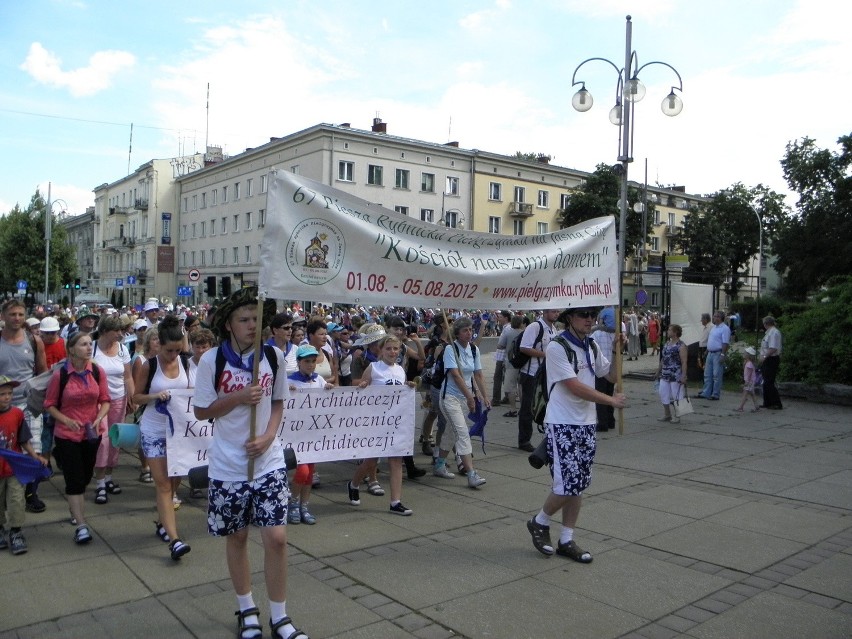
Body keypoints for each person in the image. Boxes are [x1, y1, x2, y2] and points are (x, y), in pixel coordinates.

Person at [193, 289, 307, 639]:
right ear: (228, 324)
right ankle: (247, 608)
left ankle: (280, 616)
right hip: (228, 465)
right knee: (238, 536)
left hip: (268, 462)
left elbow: (277, 404)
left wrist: (270, 436)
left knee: (276, 538)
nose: (251, 325)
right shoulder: (212, 361)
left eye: (256, 319)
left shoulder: (272, 357)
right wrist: (237, 398)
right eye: (244, 319)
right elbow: (201, 411)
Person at [526, 307, 627, 562]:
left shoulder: (591, 345)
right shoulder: (557, 347)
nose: (589, 320)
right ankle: (539, 521)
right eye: (584, 315)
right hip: (562, 423)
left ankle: (567, 539)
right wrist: (610, 401)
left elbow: (612, 375)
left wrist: (617, 349)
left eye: (592, 315)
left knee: (579, 484)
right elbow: (574, 387)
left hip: (586, 423)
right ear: (570, 318)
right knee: (567, 484)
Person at [132, 316, 192, 560]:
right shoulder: (150, 365)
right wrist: (157, 395)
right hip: (155, 429)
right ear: (160, 346)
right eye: (169, 350)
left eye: (178, 350)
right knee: (164, 484)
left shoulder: (186, 363)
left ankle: (162, 522)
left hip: (178, 430)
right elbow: (136, 398)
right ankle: (175, 539)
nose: (173, 355)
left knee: (175, 481)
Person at [43, 332, 111, 544]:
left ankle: (75, 510)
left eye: (90, 344)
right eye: (83, 344)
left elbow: (105, 399)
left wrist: (99, 417)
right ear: (71, 349)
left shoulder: (97, 371)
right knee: (74, 481)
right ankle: (81, 525)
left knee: (84, 477)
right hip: (67, 435)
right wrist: (65, 420)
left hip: (91, 434)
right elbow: (49, 405)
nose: (89, 348)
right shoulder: (60, 375)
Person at [348, 335, 415, 515]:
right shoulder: (374, 368)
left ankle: (395, 502)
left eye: (395, 349)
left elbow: (401, 393)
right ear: (381, 350)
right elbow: (362, 389)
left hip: (395, 421)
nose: (392, 352)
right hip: (377, 421)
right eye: (389, 349)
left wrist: (408, 385)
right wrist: (363, 385)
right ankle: (354, 483)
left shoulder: (400, 370)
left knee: (396, 460)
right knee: (371, 460)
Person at [0, 299, 47, 514]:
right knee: (6, 451)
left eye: (20, 314)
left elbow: (42, 372)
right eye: (12, 314)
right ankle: (7, 494)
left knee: (34, 450)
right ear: (3, 316)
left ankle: (31, 494)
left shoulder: (34, 340)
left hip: (28, 404)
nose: (17, 318)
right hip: (3, 406)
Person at [434, 317, 489, 488]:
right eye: (465, 330)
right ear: (457, 333)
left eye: (470, 329)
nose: (469, 332)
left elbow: (478, 374)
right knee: (463, 433)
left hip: (464, 399)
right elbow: (456, 376)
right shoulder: (450, 349)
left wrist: (485, 396)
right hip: (449, 397)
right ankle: (472, 474)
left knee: (452, 434)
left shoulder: (473, 350)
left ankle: (439, 464)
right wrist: (470, 396)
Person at [0, 375, 48, 555]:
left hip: (14, 468)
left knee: (16, 499)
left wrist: (36, 456)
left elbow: (24, 440)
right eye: (2, 394)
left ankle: (16, 531)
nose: (7, 397)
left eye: (9, 393)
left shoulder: (17, 414)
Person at [287, 345, 333, 525]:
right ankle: (293, 502)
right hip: (296, 433)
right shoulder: (290, 381)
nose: (311, 365)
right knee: (302, 470)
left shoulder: (319, 380)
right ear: (298, 362)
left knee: (310, 472)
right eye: (306, 361)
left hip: (314, 433)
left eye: (313, 361)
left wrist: (328, 389)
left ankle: (304, 505)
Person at [91, 314, 134, 505]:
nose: (119, 334)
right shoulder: (92, 349)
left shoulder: (123, 349)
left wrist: (133, 398)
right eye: (116, 331)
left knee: (116, 438)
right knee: (103, 440)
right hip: (98, 401)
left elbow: (128, 377)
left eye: (121, 330)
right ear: (105, 331)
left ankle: (108, 476)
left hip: (119, 398)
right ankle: (99, 482)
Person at [517, 309, 559, 452]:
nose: (556, 314)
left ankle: (548, 437)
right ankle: (524, 440)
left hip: (546, 374)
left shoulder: (553, 329)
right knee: (528, 407)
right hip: (531, 373)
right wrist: (546, 355)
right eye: (554, 311)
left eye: (557, 311)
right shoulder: (535, 327)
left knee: (546, 406)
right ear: (545, 313)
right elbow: (524, 347)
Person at [590, 307, 618, 432]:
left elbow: (592, 350)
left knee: (600, 396)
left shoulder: (597, 333)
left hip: (600, 368)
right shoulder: (616, 334)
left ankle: (603, 423)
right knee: (609, 394)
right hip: (612, 367)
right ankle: (611, 420)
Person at [654, 324, 688, 423]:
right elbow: (663, 359)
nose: (668, 331)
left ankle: (677, 415)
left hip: (676, 374)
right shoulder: (667, 344)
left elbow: (684, 362)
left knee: (676, 394)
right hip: (665, 373)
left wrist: (683, 375)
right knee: (663, 393)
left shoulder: (681, 346)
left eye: (669, 330)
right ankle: (667, 414)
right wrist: (658, 371)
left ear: (675, 332)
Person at [698, 311, 731, 400]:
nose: (714, 318)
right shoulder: (714, 328)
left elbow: (725, 342)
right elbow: (711, 340)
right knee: (707, 374)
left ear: (720, 318)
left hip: (718, 353)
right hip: (710, 353)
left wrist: (723, 354)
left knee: (716, 374)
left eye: (716, 316)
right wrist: (707, 351)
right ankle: (706, 392)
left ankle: (715, 394)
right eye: (714, 316)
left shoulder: (724, 328)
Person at [500, 315, 524, 418]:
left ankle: (513, 409)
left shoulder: (508, 332)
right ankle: (523, 408)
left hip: (510, 362)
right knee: (521, 386)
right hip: (523, 363)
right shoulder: (524, 333)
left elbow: (500, 345)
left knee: (510, 387)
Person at [759, 316, 783, 410]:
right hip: (768, 359)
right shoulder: (769, 333)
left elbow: (773, 348)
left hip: (771, 359)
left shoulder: (773, 333)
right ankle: (767, 402)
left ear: (766, 324)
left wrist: (764, 356)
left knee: (769, 381)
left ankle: (776, 402)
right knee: (765, 381)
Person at [491, 310, 512, 405]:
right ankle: (507, 396)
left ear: (506, 318)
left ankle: (496, 399)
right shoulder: (506, 327)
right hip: (503, 356)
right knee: (505, 378)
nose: (498, 318)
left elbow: (503, 344)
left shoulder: (507, 328)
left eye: (500, 317)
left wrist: (500, 345)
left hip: (503, 357)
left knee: (498, 378)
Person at [737, 346, 760, 412]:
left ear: (748, 355)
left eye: (745, 353)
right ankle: (756, 406)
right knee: (752, 394)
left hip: (749, 381)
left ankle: (741, 407)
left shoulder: (749, 364)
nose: (743, 354)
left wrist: (746, 382)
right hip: (751, 381)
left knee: (745, 393)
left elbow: (749, 374)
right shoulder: (748, 363)